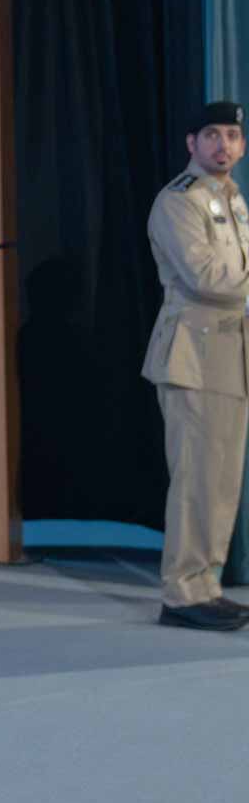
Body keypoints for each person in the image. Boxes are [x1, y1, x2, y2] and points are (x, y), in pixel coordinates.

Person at [142, 100, 249, 631]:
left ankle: (206, 585)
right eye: (211, 135)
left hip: (230, 355)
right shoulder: (178, 201)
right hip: (193, 354)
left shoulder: (231, 197)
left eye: (232, 135)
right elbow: (207, 277)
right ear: (191, 143)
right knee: (195, 479)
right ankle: (182, 594)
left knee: (221, 480)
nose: (222, 145)